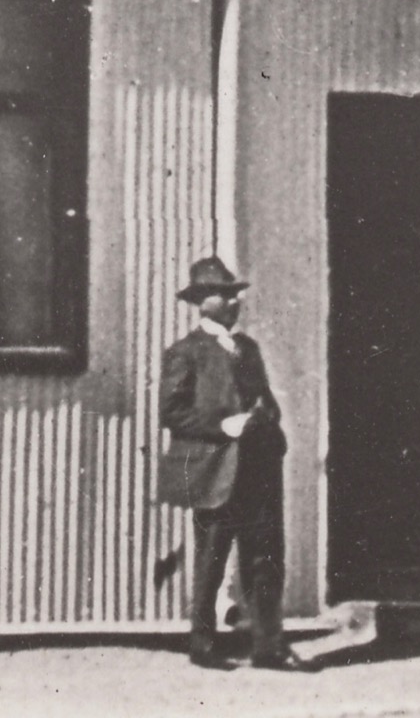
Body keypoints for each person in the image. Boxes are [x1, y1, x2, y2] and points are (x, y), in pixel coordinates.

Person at [155, 255, 306, 671]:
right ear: (203, 302)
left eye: (235, 295)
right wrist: (225, 426)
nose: (234, 303)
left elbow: (266, 401)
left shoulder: (248, 349)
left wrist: (267, 421)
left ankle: (269, 647)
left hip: (258, 471)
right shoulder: (184, 354)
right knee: (211, 561)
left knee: (265, 559)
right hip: (215, 473)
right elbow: (173, 413)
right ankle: (203, 647)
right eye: (224, 296)